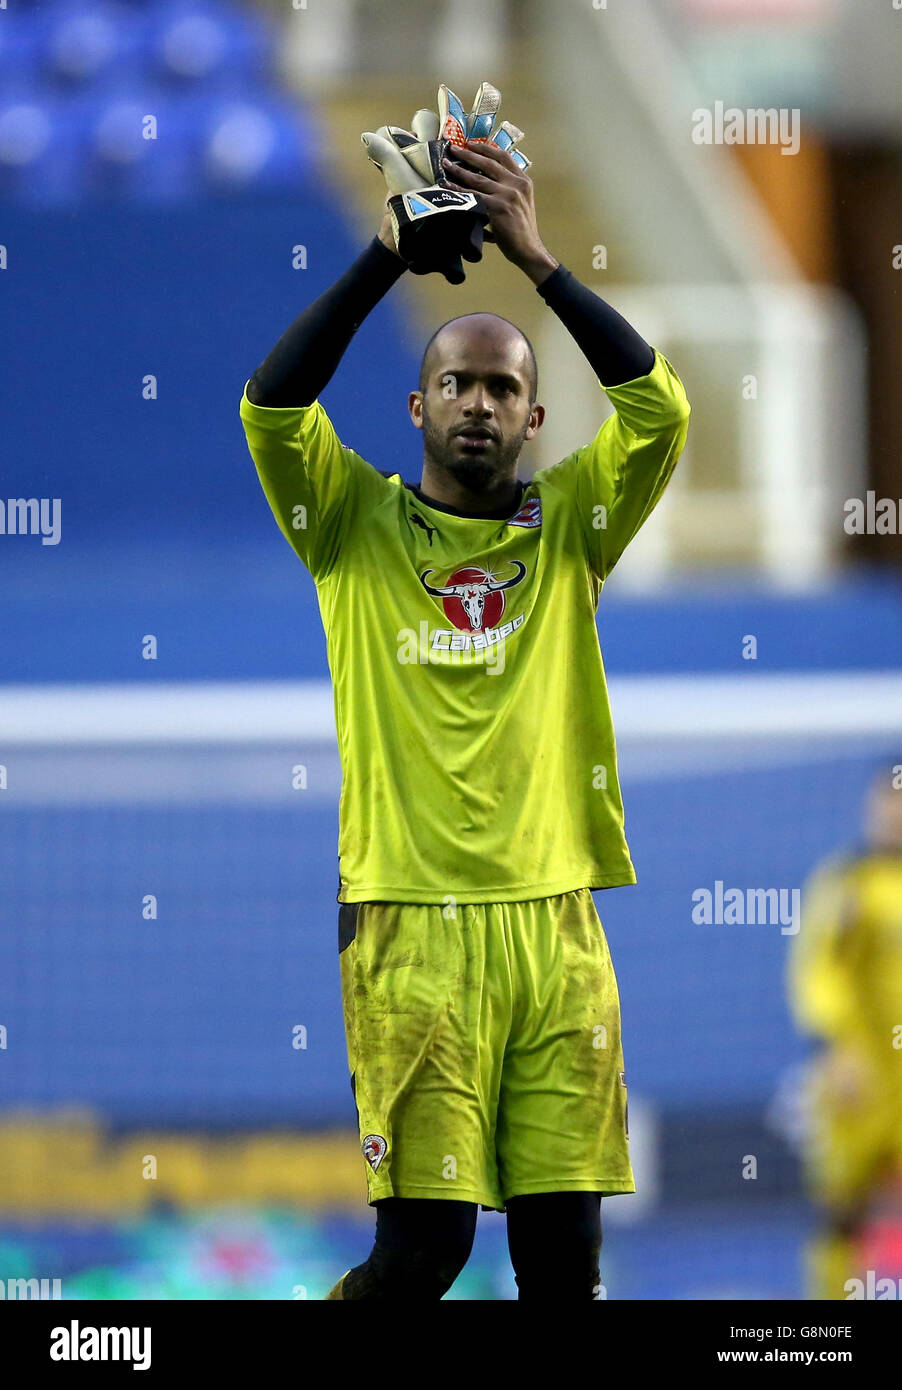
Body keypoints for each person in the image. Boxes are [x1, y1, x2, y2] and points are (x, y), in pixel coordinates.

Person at [239, 137, 691, 1299]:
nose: (479, 403)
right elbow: (272, 403)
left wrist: (537, 262)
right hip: (410, 926)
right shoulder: (347, 526)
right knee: (424, 1252)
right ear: (418, 403)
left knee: (561, 1265)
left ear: (534, 417)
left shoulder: (573, 526)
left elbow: (657, 413)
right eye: (458, 382)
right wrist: (385, 259)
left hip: (555, 931)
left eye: (502, 387)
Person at [789, 764, 902, 1299]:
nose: (892, 814)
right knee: (842, 1209)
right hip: (863, 1076)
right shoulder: (847, 883)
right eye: (886, 802)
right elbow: (818, 971)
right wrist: (838, 1048)